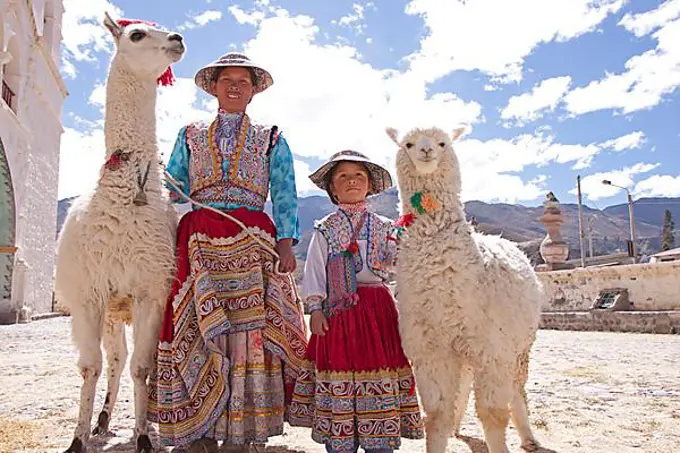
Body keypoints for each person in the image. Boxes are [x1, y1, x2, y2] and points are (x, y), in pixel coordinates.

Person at [148, 52, 308, 453]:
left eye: (243, 82)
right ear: (214, 87)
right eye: (227, 80)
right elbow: (173, 184)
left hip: (252, 240)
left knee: (249, 331)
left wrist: (286, 242)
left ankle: (244, 428)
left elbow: (285, 192)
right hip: (198, 239)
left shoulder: (272, 137)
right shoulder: (189, 134)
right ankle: (198, 430)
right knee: (193, 328)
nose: (235, 87)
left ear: (253, 92)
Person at [288, 150, 424, 453]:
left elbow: (393, 263)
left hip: (378, 312)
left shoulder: (385, 226)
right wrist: (316, 308)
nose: (351, 181)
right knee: (340, 370)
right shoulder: (325, 228)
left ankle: (379, 442)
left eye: (358, 175)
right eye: (343, 177)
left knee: (380, 370)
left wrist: (408, 234)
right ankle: (341, 442)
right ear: (333, 188)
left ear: (370, 184)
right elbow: (314, 270)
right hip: (339, 313)